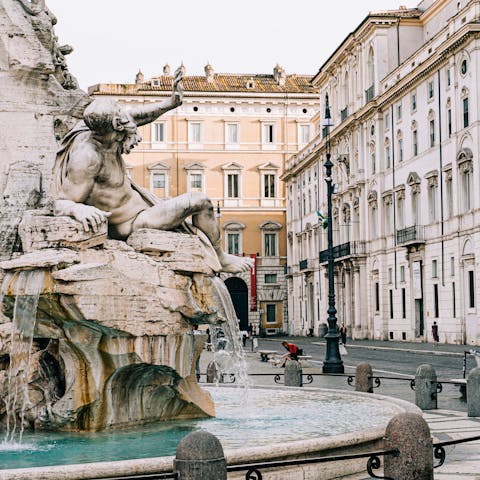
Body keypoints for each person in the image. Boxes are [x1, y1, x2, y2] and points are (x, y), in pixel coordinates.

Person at [51, 66, 253, 274]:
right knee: (200, 201)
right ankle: (220, 257)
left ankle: (218, 255)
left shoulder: (103, 130)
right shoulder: (87, 158)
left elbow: (139, 115)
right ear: (113, 130)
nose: (128, 137)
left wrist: (171, 102)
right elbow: (61, 202)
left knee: (196, 203)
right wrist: (78, 208)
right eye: (123, 132)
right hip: (133, 222)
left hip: (144, 206)